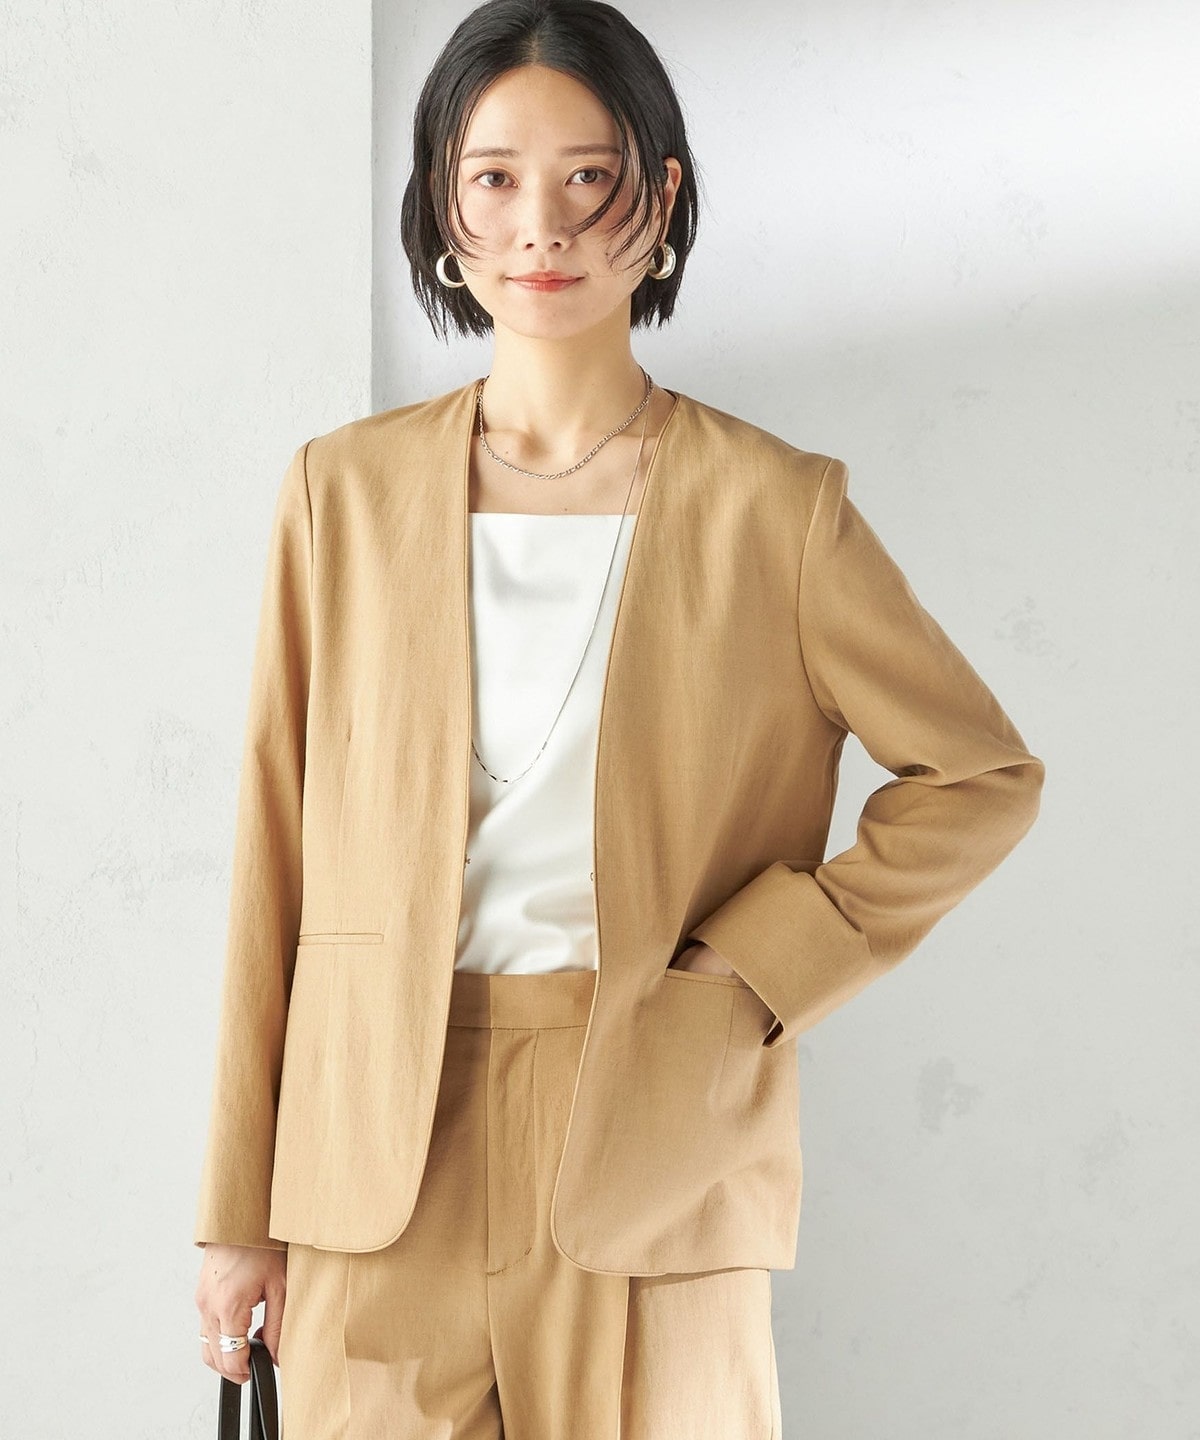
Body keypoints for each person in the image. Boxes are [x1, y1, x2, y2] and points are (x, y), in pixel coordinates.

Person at [193, 1, 1045, 1435]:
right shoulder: (341, 493)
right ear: (443, 205)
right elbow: (272, 848)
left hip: (658, 1126)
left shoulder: (775, 509)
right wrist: (235, 1208)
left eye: (589, 176)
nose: (542, 226)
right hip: (369, 1158)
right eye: (495, 177)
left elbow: (980, 773)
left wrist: (757, 966)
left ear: (660, 197)